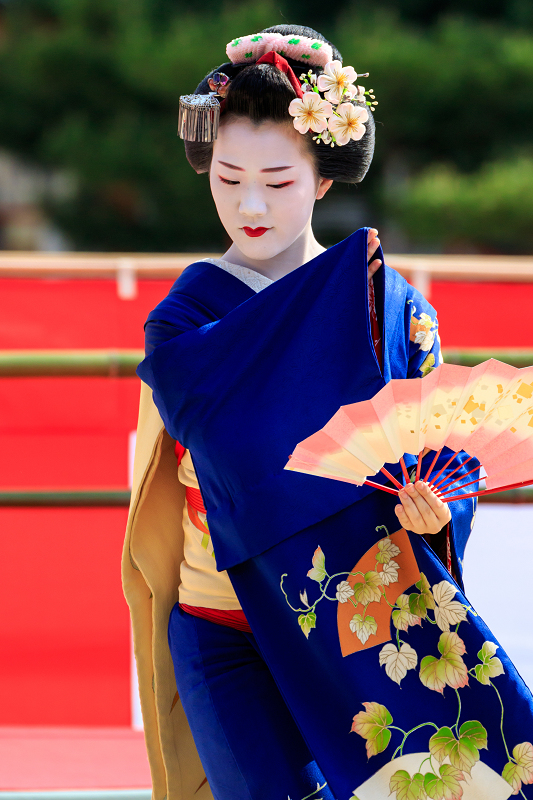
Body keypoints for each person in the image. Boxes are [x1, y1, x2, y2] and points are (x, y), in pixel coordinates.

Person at [122, 24, 533, 800]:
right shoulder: (185, 318)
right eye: (227, 177)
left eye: (277, 182)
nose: (248, 204)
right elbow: (230, 450)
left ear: (322, 179)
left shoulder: (389, 308)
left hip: (358, 625)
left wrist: (433, 512)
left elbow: (439, 457)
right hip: (222, 621)